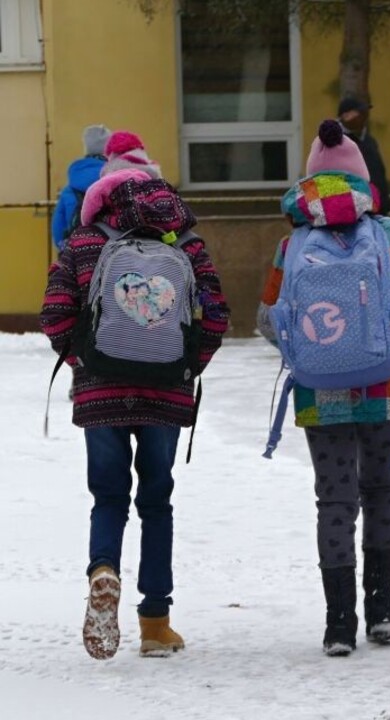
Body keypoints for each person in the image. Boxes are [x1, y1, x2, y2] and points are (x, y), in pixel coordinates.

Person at [40, 130, 230, 660]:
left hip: (101, 393)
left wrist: (86, 364)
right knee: (156, 502)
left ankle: (103, 570)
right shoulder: (186, 245)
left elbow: (54, 314)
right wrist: (184, 367)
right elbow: (216, 315)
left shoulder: (83, 243)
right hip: (165, 393)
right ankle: (155, 624)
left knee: (108, 497)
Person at [258, 120, 390, 656]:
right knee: (380, 489)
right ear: (362, 179)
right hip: (386, 383)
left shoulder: (291, 243)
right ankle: (381, 613)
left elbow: (268, 317)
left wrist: (310, 353)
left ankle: (339, 624)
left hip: (318, 391)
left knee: (334, 499)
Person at [51, 124, 111, 250]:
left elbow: (58, 230)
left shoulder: (68, 190)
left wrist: (65, 249)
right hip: (110, 251)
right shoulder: (117, 182)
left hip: (77, 252)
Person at [338, 96, 390, 214]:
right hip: (352, 211)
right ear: (345, 116)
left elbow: (378, 172)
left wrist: (384, 204)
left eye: (364, 113)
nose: (363, 116)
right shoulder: (336, 141)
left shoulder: (369, 140)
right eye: (359, 113)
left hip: (377, 209)